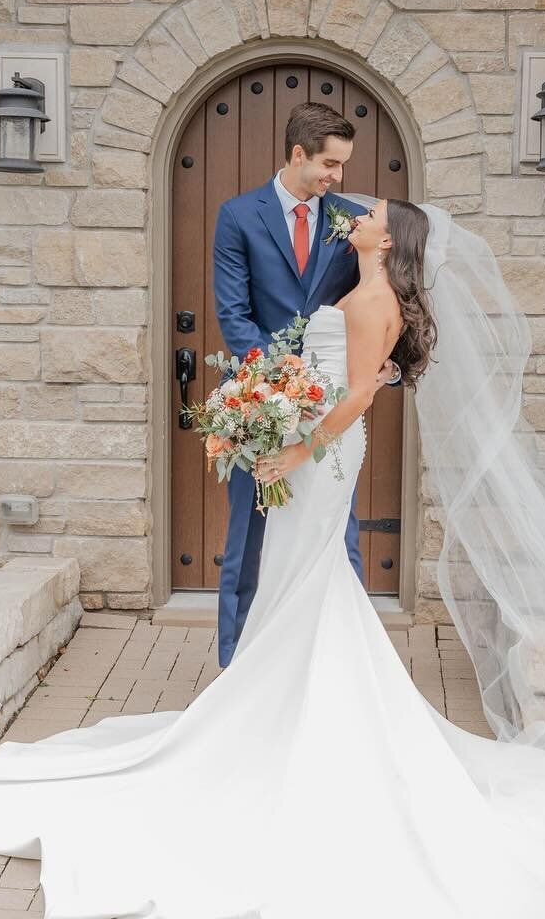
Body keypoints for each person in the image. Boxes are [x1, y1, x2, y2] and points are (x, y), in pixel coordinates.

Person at [0, 196, 545, 919]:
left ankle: (298, 725)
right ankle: (288, 713)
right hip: (310, 449)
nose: (359, 216)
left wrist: (300, 443)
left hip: (325, 456)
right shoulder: (360, 288)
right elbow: (330, 378)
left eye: (372, 215)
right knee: (304, 582)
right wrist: (271, 411)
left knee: (310, 579)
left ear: (389, 238)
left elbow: (362, 393)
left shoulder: (374, 300)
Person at [209, 101, 396, 668]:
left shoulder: (349, 219)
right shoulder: (239, 216)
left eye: (342, 165)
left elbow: (388, 286)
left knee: (335, 534)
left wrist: (385, 358)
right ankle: (234, 667)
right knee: (247, 537)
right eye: (330, 164)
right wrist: (275, 388)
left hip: (331, 409)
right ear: (298, 154)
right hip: (262, 401)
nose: (338, 177)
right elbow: (235, 315)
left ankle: (342, 670)